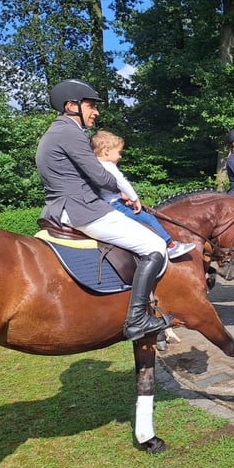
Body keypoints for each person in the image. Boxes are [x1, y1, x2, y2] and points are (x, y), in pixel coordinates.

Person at [36, 79, 172, 341]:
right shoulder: (70, 132)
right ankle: (137, 319)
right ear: (70, 105)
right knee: (156, 246)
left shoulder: (56, 132)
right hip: (81, 208)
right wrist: (120, 191)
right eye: (90, 105)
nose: (96, 111)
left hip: (61, 207)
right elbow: (99, 175)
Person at [91, 131, 195, 260]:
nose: (120, 156)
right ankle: (170, 246)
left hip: (109, 203)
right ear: (106, 151)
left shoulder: (95, 165)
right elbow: (123, 183)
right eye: (119, 152)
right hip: (115, 205)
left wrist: (120, 195)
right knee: (149, 219)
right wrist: (135, 199)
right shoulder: (109, 166)